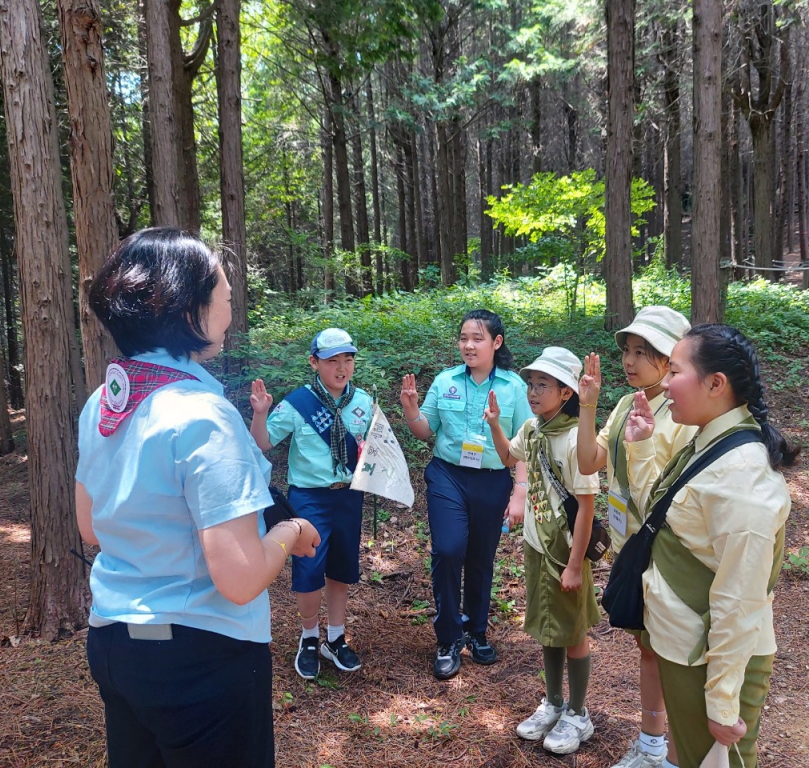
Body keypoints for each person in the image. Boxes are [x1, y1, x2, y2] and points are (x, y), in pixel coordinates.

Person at [76, 227, 321, 768]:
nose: (231, 306)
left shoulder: (104, 402)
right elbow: (238, 579)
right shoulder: (202, 414)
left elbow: (91, 527)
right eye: (225, 295)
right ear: (189, 308)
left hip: (116, 646)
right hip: (201, 657)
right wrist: (290, 532)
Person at [622, 324, 798, 768]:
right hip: (683, 644)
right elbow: (662, 517)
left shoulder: (743, 478)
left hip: (705, 656)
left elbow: (740, 599)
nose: (664, 384)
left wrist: (721, 703)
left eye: (675, 371)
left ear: (715, 384)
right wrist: (642, 448)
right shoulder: (708, 442)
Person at [576, 306, 697, 768]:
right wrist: (588, 406)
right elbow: (589, 462)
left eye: (642, 351)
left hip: (667, 546)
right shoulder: (628, 403)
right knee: (648, 645)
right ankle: (651, 743)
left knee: (669, 648)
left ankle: (671, 750)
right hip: (631, 544)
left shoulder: (685, 410)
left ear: (669, 358)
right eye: (627, 350)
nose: (629, 360)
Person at [399, 309, 531, 680]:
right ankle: (448, 638)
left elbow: (523, 444)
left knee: (480, 558)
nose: (469, 345)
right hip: (448, 477)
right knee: (448, 548)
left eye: (477, 338)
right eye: (463, 338)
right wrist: (411, 410)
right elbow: (426, 432)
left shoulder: (513, 387)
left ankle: (476, 631)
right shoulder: (445, 381)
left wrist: (519, 491)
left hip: (492, 481)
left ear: (496, 343)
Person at [486, 347, 601, 756]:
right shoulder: (533, 430)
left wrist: (574, 566)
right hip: (537, 546)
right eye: (531, 384)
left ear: (567, 393)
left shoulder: (574, 441)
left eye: (543, 385)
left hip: (564, 551)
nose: (533, 392)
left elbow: (586, 506)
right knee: (548, 630)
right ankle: (552, 702)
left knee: (572, 632)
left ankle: (579, 712)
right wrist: (497, 425)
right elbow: (506, 457)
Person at [249, 328, 373, 680]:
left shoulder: (362, 401)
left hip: (349, 495)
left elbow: (374, 448)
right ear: (314, 362)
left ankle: (335, 637)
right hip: (309, 497)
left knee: (341, 567)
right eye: (332, 360)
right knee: (308, 569)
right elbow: (263, 443)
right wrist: (261, 413)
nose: (342, 368)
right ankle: (308, 637)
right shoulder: (297, 403)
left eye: (347, 359)